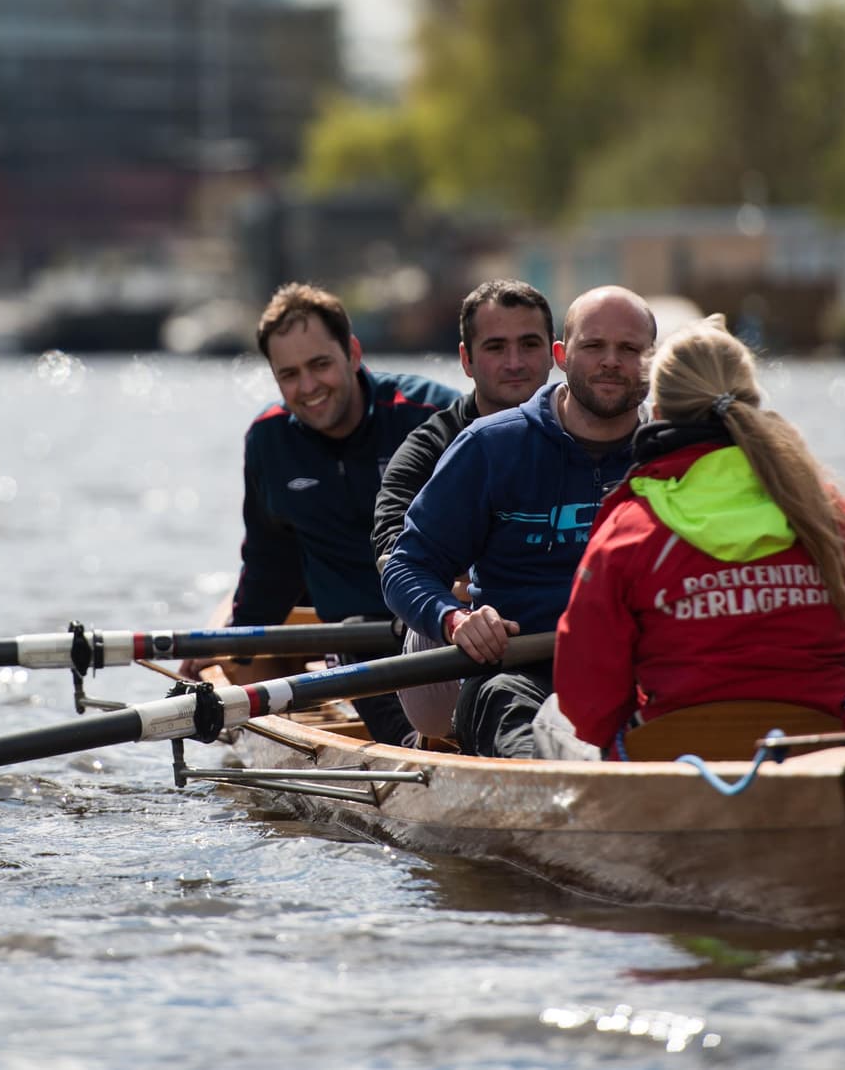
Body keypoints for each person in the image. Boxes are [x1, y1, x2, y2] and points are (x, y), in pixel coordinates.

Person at [550, 316, 845, 757]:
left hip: (676, 762)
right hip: (815, 754)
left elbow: (588, 705)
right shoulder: (828, 513)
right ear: (752, 403)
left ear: (657, 414)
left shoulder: (628, 527)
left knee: (552, 717)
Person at [381, 285, 657, 757]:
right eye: (594, 346)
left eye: (629, 349)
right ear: (562, 356)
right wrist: (455, 620)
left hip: (640, 671)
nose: (611, 361)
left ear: (652, 361)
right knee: (503, 698)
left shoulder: (669, 454)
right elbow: (405, 566)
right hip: (517, 673)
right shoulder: (490, 447)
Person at [203, 282, 459, 747]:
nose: (308, 388)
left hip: (440, 621)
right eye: (290, 375)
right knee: (353, 637)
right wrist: (228, 653)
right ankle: (416, 751)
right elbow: (269, 564)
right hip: (355, 636)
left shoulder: (431, 413)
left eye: (320, 365)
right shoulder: (269, 440)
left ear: (353, 353)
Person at [370, 279, 555, 742]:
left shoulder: (586, 434)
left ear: (554, 353)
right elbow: (393, 552)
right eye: (496, 347)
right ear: (467, 360)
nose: (515, 363)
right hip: (455, 632)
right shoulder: (433, 445)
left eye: (528, 345)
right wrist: (460, 604)